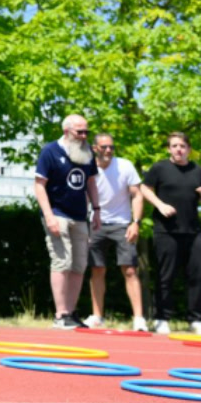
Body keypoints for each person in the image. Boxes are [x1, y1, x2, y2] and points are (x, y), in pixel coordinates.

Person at [33, 115, 104, 329]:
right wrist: (49, 216)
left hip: (80, 215)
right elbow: (39, 185)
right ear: (66, 131)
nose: (84, 136)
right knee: (61, 262)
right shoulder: (50, 151)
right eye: (79, 132)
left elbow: (90, 182)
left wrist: (97, 210)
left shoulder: (87, 152)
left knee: (79, 265)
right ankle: (60, 314)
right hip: (57, 213)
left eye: (86, 132)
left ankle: (71, 314)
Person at [140, 132, 201, 335]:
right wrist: (160, 205)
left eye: (182, 146)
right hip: (166, 230)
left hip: (193, 230)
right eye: (174, 146)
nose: (178, 149)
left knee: (198, 274)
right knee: (166, 275)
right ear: (169, 149)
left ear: (189, 149)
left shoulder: (197, 170)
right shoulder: (160, 168)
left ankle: (196, 320)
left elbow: (197, 196)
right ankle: (162, 318)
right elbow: (145, 189)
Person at [87, 133, 149, 332]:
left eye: (111, 147)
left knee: (130, 269)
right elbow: (82, 196)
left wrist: (136, 222)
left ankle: (139, 319)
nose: (108, 151)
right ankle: (97, 316)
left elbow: (137, 195)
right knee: (97, 269)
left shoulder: (125, 166)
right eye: (104, 147)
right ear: (95, 148)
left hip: (122, 223)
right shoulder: (87, 166)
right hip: (95, 223)